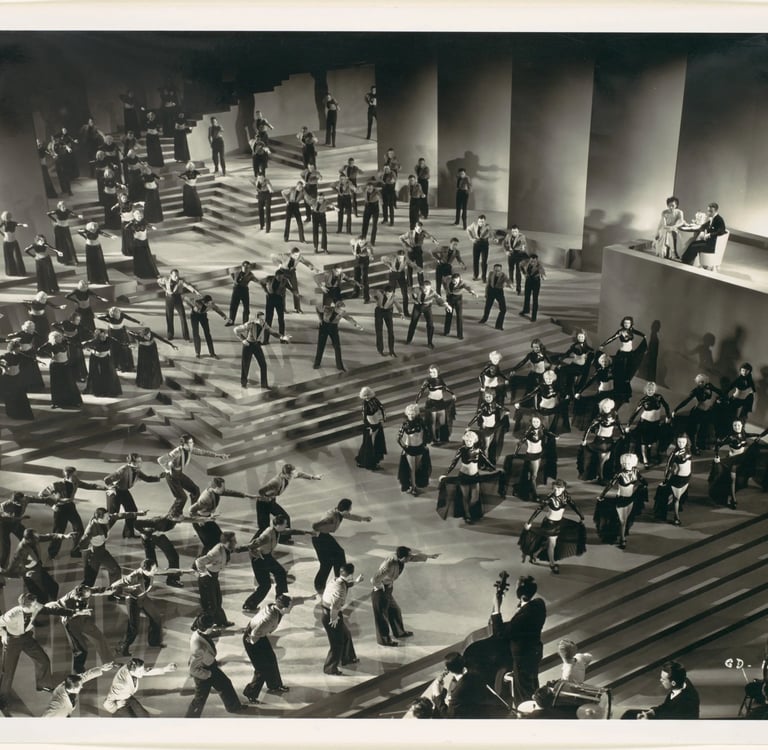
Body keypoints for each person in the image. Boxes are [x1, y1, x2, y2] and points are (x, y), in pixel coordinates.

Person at [0, 593, 74, 701]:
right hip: (12, 641)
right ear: (26, 606)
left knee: (43, 660)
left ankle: (43, 684)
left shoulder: (35, 607)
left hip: (26, 637)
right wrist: (3, 634)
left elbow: (51, 610)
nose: (37, 605)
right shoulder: (12, 615)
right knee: (8, 671)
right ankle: (2, 698)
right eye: (35, 604)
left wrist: (73, 612)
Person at [490, 575, 546, 708]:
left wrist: (497, 608)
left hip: (522, 659)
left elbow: (501, 633)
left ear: (520, 594)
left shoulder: (521, 618)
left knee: (523, 693)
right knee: (532, 683)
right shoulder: (539, 604)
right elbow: (523, 609)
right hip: (534, 653)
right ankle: (536, 704)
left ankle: (526, 713)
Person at [242, 515, 314, 613]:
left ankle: (280, 598)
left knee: (280, 572)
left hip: (266, 557)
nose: (287, 525)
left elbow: (289, 531)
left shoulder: (276, 530)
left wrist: (305, 532)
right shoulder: (267, 535)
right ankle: (249, 605)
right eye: (285, 524)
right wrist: (235, 549)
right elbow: (252, 545)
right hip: (258, 560)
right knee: (265, 585)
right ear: (278, 525)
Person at [371, 546, 439, 647]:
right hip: (380, 593)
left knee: (395, 610)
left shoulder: (401, 558)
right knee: (382, 618)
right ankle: (384, 640)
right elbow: (374, 579)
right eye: (408, 556)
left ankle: (399, 632)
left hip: (388, 590)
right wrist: (381, 586)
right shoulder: (388, 564)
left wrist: (429, 556)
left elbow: (414, 557)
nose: (410, 558)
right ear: (403, 557)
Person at [107, 560, 177, 656]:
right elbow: (117, 584)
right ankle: (122, 648)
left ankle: (154, 642)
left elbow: (166, 571)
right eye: (154, 569)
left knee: (156, 617)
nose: (156, 570)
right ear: (146, 571)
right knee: (133, 628)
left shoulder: (150, 571)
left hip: (143, 597)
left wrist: (187, 571)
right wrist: (120, 592)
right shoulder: (133, 577)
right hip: (133, 601)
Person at [185, 613, 246, 717]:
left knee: (225, 684)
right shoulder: (198, 646)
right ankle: (190, 718)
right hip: (203, 672)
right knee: (200, 699)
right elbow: (193, 670)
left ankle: (234, 707)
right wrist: (208, 674)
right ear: (205, 628)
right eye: (212, 626)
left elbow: (215, 633)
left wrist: (235, 632)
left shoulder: (200, 632)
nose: (214, 628)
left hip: (210, 665)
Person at [520, 479, 585, 574]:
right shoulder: (550, 498)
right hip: (549, 524)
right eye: (555, 489)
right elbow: (539, 509)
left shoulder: (565, 495)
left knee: (549, 542)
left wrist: (581, 516)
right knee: (552, 544)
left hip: (559, 522)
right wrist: (529, 522)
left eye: (559, 489)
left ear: (563, 489)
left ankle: (535, 554)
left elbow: (573, 505)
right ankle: (552, 564)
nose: (556, 491)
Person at [158, 434, 229, 517]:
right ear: (183, 444)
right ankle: (174, 514)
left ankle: (193, 511)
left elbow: (203, 452)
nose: (192, 445)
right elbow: (160, 460)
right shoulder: (177, 452)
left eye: (192, 443)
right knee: (182, 498)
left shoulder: (189, 450)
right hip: (172, 477)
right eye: (189, 443)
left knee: (195, 490)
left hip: (179, 474)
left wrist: (218, 455)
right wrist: (167, 470)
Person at [39, 466, 103, 557]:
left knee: (79, 529)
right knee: (58, 531)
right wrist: (53, 505)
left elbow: (89, 486)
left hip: (70, 507)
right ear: (68, 475)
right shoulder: (56, 484)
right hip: (60, 509)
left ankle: (75, 551)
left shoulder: (76, 482)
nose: (76, 476)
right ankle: (52, 553)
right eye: (75, 474)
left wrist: (104, 488)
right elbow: (41, 495)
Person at [311, 499, 372, 595]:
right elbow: (314, 526)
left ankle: (340, 578)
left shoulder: (341, 513)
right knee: (326, 563)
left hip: (325, 536)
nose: (350, 510)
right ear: (345, 510)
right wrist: (323, 522)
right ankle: (319, 586)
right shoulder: (331, 516)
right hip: (319, 539)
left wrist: (363, 519)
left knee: (339, 553)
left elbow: (351, 516)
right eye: (350, 508)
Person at [438, 430, 496, 525]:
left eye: (470, 441)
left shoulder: (478, 451)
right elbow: (453, 463)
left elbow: (487, 461)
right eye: (466, 440)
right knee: (465, 497)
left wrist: (494, 469)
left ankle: (469, 511)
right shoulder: (461, 450)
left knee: (474, 498)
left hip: (475, 476)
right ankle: (467, 515)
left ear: (474, 441)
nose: (468, 442)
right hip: (463, 476)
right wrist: (446, 474)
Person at [193, 531, 249, 628]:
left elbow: (236, 549)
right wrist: (204, 574)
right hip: (207, 579)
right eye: (234, 540)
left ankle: (221, 621)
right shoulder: (217, 552)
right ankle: (198, 625)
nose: (236, 542)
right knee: (210, 605)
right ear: (227, 542)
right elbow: (199, 561)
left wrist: (251, 547)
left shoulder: (226, 548)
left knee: (218, 601)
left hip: (214, 576)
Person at [242, 595, 292, 704]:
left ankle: (275, 685)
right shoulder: (269, 618)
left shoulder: (276, 606)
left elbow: (294, 600)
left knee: (271, 659)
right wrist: (252, 641)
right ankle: (251, 694)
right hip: (252, 639)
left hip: (260, 635)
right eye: (290, 606)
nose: (291, 608)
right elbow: (255, 633)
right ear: (284, 608)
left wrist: (307, 598)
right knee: (261, 668)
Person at [594, 452, 647, 550]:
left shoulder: (636, 471)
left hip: (631, 498)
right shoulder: (619, 474)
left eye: (629, 463)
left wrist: (641, 488)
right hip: (621, 499)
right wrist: (602, 495)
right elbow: (610, 485)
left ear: (633, 463)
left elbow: (644, 482)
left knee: (626, 519)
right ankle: (622, 539)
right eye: (625, 463)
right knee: (623, 521)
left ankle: (622, 534)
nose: (627, 465)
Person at [711, 419, 768, 509]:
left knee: (740, 479)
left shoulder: (743, 433)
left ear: (742, 426)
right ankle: (733, 499)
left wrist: (758, 436)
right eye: (735, 425)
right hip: (732, 460)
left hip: (741, 459)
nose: (737, 427)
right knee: (732, 479)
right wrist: (717, 456)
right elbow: (718, 444)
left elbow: (748, 435)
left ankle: (732, 496)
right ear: (732, 427)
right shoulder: (730, 437)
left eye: (738, 425)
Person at [255, 463, 323, 538]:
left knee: (285, 517)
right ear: (286, 474)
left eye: (294, 473)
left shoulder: (289, 476)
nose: (294, 475)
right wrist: (267, 498)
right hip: (263, 504)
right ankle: (248, 546)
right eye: (292, 474)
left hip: (271, 501)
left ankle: (284, 538)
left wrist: (313, 477)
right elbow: (260, 491)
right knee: (263, 528)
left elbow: (300, 474)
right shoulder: (276, 482)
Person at [320, 563, 364, 675]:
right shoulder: (340, 588)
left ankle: (347, 658)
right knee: (337, 643)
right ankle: (330, 668)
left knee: (346, 635)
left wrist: (357, 582)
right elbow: (335, 605)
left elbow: (346, 584)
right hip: (331, 615)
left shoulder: (335, 580)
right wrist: (334, 619)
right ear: (351, 575)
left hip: (328, 612)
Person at [5, 528, 70, 602]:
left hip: (38, 568)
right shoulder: (21, 550)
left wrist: (64, 536)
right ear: (28, 540)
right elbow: (11, 570)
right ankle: (45, 608)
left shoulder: (34, 539)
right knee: (41, 596)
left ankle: (52, 603)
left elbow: (48, 536)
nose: (37, 540)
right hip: (31, 574)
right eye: (35, 539)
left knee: (54, 587)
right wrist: (25, 574)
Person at [79, 507, 138, 587]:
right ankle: (79, 597)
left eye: (108, 516)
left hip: (102, 551)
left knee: (116, 570)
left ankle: (114, 593)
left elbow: (119, 515)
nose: (109, 518)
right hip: (92, 555)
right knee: (89, 581)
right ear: (100, 518)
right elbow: (82, 545)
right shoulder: (91, 529)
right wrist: (88, 557)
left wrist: (137, 513)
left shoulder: (106, 519)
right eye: (106, 517)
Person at [622, 661, 700, 719]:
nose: (660, 680)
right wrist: (653, 711)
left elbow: (669, 722)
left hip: (674, 727)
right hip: (669, 715)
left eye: (663, 679)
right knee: (629, 713)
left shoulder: (685, 703)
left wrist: (646, 720)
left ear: (673, 683)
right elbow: (667, 706)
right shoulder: (682, 680)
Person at [103, 658, 177, 717]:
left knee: (145, 716)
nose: (143, 672)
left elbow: (147, 671)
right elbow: (107, 702)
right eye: (140, 671)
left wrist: (164, 669)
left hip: (129, 698)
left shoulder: (131, 669)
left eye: (142, 669)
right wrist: (116, 706)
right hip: (119, 703)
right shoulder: (120, 685)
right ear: (131, 672)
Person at [234, 312, 288, 390]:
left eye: (263, 318)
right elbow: (236, 330)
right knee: (245, 365)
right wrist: (243, 340)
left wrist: (282, 337)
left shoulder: (264, 324)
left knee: (263, 364)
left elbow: (272, 332)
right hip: (248, 345)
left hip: (257, 345)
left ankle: (264, 384)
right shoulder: (250, 324)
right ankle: (243, 382)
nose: (262, 320)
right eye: (261, 318)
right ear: (256, 318)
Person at [599, 316, 647, 404]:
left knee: (627, 375)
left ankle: (626, 395)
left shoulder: (632, 330)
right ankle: (618, 393)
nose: (627, 324)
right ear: (623, 323)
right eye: (625, 323)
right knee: (620, 374)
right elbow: (612, 338)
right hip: (622, 355)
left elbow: (638, 333)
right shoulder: (620, 331)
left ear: (631, 324)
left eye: (628, 323)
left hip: (630, 355)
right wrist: (603, 344)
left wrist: (643, 335)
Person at [672, 374, 724, 454]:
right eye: (699, 382)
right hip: (698, 412)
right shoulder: (695, 391)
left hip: (707, 412)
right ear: (697, 382)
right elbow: (686, 401)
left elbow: (720, 392)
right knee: (695, 431)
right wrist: (675, 410)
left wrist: (720, 399)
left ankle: (703, 445)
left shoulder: (709, 386)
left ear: (706, 381)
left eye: (703, 382)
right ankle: (694, 448)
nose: (701, 384)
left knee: (707, 428)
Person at [579, 397, 627, 484]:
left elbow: (619, 424)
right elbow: (589, 427)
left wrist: (623, 433)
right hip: (600, 441)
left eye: (608, 407)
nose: (606, 409)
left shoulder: (614, 414)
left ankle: (604, 475)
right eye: (604, 407)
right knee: (602, 459)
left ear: (611, 407)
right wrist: (584, 439)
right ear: (602, 407)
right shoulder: (600, 417)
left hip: (609, 439)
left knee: (608, 458)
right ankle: (601, 477)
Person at [43, 663, 116, 717]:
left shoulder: (69, 683)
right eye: (80, 686)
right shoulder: (58, 705)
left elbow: (85, 676)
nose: (82, 687)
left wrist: (101, 668)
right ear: (73, 689)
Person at [628, 381, 672, 468]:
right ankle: (645, 459)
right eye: (648, 389)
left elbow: (666, 406)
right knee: (644, 441)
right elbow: (635, 413)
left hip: (655, 423)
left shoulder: (659, 397)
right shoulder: (643, 400)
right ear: (646, 390)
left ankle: (654, 455)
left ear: (654, 390)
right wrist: (629, 424)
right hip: (645, 423)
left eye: (652, 389)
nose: (650, 391)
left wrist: (668, 416)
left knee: (654, 439)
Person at [313, 301, 363, 371]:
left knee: (337, 346)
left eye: (342, 310)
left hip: (333, 328)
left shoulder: (342, 312)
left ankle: (340, 366)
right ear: (336, 308)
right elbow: (317, 307)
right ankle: (316, 363)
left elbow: (349, 318)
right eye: (341, 310)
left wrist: (356, 325)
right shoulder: (327, 308)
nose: (342, 312)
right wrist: (320, 318)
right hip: (324, 327)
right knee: (321, 345)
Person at [38, 331, 83, 409]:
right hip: (56, 367)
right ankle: (56, 402)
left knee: (70, 383)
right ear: (54, 338)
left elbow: (73, 343)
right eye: (57, 337)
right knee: (57, 385)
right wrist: (49, 355)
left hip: (65, 365)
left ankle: (74, 402)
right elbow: (39, 351)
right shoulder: (50, 344)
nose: (60, 338)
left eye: (60, 336)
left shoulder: (64, 342)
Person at [654, 434, 693, 526]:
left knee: (677, 497)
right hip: (678, 479)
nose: (681, 444)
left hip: (687, 477)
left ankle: (671, 507)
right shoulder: (674, 454)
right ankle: (676, 517)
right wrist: (666, 478)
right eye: (679, 442)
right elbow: (668, 466)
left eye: (683, 442)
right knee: (677, 499)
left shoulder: (688, 450)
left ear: (687, 442)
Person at [397, 403, 433, 496]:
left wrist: (425, 444)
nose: (411, 416)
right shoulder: (405, 424)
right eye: (409, 414)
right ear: (406, 414)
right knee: (412, 469)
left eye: (412, 414)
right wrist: (404, 447)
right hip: (410, 449)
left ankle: (414, 484)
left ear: (416, 413)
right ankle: (413, 488)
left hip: (420, 447)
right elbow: (398, 438)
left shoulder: (421, 422)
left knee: (417, 468)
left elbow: (427, 434)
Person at [406, 279, 451, 350]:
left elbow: (440, 298)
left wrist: (447, 305)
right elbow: (409, 289)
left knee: (430, 325)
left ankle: (430, 342)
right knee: (413, 323)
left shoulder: (433, 292)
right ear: (422, 287)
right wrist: (411, 298)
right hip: (417, 307)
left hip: (427, 308)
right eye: (424, 288)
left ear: (430, 288)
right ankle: (409, 340)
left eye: (427, 289)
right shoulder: (417, 289)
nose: (425, 290)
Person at [416, 365, 455, 445]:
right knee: (432, 422)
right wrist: (416, 401)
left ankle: (443, 437)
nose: (432, 374)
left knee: (442, 422)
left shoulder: (440, 379)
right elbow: (421, 391)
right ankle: (434, 439)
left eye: (434, 372)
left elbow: (445, 387)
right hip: (432, 403)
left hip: (440, 402)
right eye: (431, 372)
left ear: (438, 372)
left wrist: (452, 394)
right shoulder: (427, 381)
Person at [469, 389, 511, 465]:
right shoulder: (483, 406)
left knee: (492, 445)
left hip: (494, 428)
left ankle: (489, 461)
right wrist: (469, 425)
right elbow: (477, 416)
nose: (488, 398)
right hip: (486, 429)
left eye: (490, 397)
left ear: (493, 396)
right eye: (487, 397)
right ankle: (485, 462)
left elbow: (503, 408)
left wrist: (507, 411)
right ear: (484, 398)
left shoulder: (495, 404)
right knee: (485, 447)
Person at [680, 202, 726, 267]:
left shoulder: (719, 219)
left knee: (694, 246)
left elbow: (721, 231)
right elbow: (703, 226)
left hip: (712, 246)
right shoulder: (712, 218)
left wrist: (710, 234)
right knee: (693, 243)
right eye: (708, 211)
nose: (709, 213)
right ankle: (685, 260)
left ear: (716, 211)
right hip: (708, 242)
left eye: (711, 211)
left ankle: (686, 262)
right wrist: (693, 226)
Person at [157, 269, 199, 341]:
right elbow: (158, 281)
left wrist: (195, 291)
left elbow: (188, 286)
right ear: (171, 275)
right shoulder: (166, 279)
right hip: (169, 299)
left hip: (178, 299)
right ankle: (170, 335)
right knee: (169, 317)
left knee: (182, 317)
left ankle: (186, 336)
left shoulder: (181, 281)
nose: (177, 277)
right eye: (175, 276)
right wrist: (165, 289)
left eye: (177, 275)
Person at [356, 386, 387, 470]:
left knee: (375, 443)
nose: (366, 397)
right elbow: (365, 418)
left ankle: (366, 461)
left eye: (368, 395)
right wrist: (370, 427)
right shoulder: (365, 405)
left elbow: (381, 408)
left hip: (376, 424)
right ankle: (369, 463)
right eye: (365, 395)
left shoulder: (375, 400)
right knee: (369, 445)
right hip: (370, 427)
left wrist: (383, 418)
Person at [187, 293, 225, 359]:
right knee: (196, 333)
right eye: (208, 304)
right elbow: (187, 299)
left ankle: (212, 353)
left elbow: (217, 309)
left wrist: (224, 316)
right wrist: (192, 307)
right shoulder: (197, 303)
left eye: (210, 303)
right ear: (204, 302)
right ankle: (197, 353)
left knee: (207, 333)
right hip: (194, 316)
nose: (209, 305)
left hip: (203, 316)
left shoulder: (211, 304)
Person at [479, 263, 514, 330]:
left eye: (498, 271)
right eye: (495, 270)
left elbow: (508, 281)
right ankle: (484, 319)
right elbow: (488, 284)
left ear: (501, 270)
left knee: (503, 309)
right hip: (491, 291)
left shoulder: (503, 275)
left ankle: (498, 325)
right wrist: (486, 293)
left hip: (499, 292)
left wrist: (511, 285)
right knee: (487, 307)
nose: (497, 272)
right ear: (493, 270)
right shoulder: (491, 274)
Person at [0, 210, 29, 276]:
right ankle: (11, 272)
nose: (8, 218)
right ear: (4, 217)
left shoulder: (13, 223)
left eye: (9, 216)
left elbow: (17, 224)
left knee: (17, 257)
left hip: (14, 242)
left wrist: (23, 225)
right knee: (9, 257)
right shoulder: (3, 223)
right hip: (6, 242)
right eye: (7, 216)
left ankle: (20, 271)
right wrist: (3, 234)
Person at [519, 253, 546, 322]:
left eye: (534, 261)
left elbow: (543, 273)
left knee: (535, 299)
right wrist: (523, 273)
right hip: (528, 281)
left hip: (535, 282)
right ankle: (526, 310)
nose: (532, 262)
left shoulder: (539, 266)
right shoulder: (526, 262)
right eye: (531, 260)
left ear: (536, 260)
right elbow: (520, 265)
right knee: (527, 296)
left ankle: (534, 316)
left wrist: (543, 276)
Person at [503, 225, 528, 294]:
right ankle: (511, 284)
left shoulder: (522, 236)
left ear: (518, 231)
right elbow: (504, 244)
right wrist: (506, 251)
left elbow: (523, 243)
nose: (514, 233)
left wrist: (523, 247)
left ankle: (518, 288)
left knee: (518, 272)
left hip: (519, 255)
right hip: (511, 255)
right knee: (510, 270)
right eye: (513, 231)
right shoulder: (508, 236)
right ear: (511, 231)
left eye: (516, 231)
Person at [361, 177, 383, 245]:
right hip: (367, 207)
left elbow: (380, 198)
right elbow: (357, 189)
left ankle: (372, 241)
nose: (369, 188)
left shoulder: (377, 192)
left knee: (374, 225)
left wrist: (381, 201)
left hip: (375, 208)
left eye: (371, 187)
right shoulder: (364, 189)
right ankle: (363, 238)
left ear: (373, 187)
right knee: (365, 223)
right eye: (368, 187)